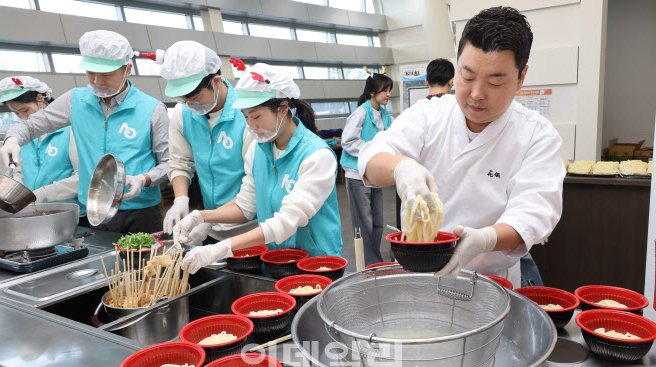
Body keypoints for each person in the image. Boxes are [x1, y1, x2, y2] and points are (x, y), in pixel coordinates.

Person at [358, 6, 565, 287]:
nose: (477, 94)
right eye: (467, 77)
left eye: (495, 81)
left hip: (492, 281)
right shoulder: (429, 114)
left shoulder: (536, 135)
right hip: (418, 273)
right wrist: (401, 168)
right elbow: (371, 157)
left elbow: (534, 214)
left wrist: (483, 240)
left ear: (521, 78)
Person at [174, 63, 342, 273]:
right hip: (277, 261)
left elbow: (287, 221)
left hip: (317, 265)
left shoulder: (317, 156)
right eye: (245, 117)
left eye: (256, 116)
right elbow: (245, 207)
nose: (251, 126)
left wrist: (220, 248)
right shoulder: (258, 150)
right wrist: (201, 216)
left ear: (282, 108)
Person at [0, 30, 170, 233]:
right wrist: (12, 140)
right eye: (90, 73)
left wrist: (144, 179)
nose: (97, 81)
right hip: (94, 212)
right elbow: (30, 125)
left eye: (106, 74)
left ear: (127, 70)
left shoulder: (151, 109)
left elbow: (169, 163)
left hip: (141, 212)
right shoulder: (75, 101)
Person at [160, 41, 256, 245]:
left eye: (194, 97)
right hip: (209, 226)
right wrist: (180, 200)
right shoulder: (183, 113)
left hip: (252, 227)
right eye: (183, 99)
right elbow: (179, 161)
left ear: (216, 81)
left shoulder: (248, 114)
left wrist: (207, 219)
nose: (189, 105)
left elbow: (255, 183)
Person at [0, 76, 82, 216]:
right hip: (37, 214)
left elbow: (82, 177)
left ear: (40, 99)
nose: (22, 117)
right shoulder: (22, 137)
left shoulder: (71, 130)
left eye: (25, 110)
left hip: (71, 214)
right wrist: (11, 187)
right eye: (16, 113)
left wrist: (43, 193)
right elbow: (19, 173)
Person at [340, 72, 392, 266]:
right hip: (356, 174)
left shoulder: (386, 115)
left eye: (389, 90)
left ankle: (371, 260)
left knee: (377, 222)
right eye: (384, 90)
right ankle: (372, 263)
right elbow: (348, 141)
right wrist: (371, 151)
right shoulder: (361, 112)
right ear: (372, 92)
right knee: (364, 223)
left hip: (375, 174)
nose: (388, 94)